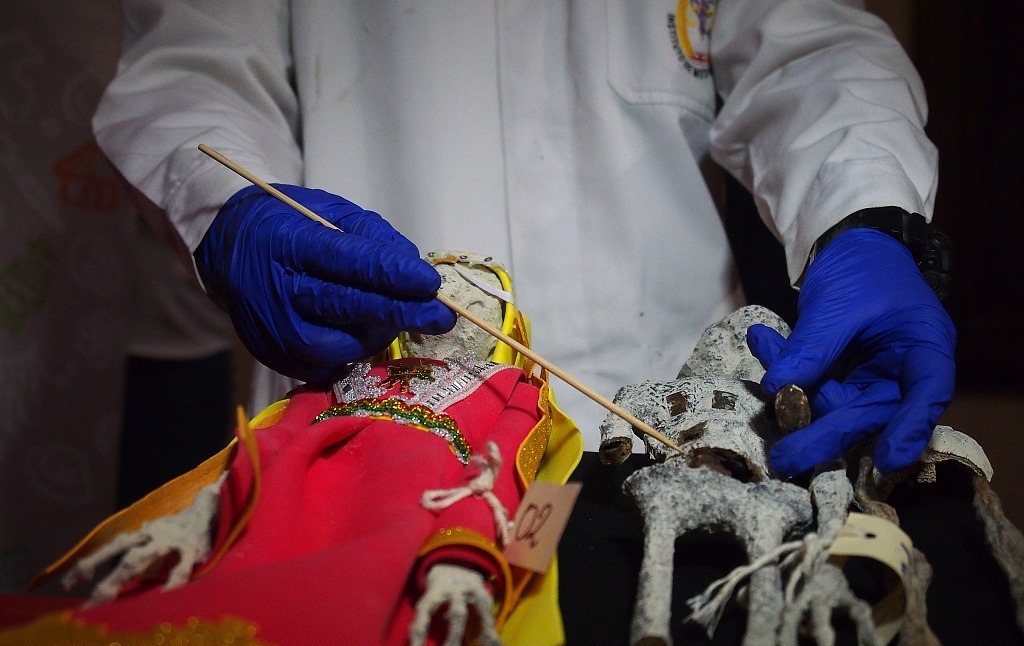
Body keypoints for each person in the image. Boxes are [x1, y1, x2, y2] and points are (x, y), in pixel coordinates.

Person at [91, 0, 955, 476]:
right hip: (367, 418)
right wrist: (230, 206)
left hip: (669, 416)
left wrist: (867, 215)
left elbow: (812, 47)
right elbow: (192, 69)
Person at [0, 255, 582, 646]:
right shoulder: (350, 373)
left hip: (405, 527)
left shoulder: (517, 391)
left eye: (477, 296)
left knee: (356, 638)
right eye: (440, 284)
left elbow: (514, 478)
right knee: (208, 603)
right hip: (287, 498)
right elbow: (273, 437)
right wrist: (205, 508)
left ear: (504, 323)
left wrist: (467, 559)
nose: (454, 298)